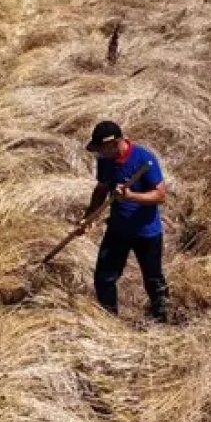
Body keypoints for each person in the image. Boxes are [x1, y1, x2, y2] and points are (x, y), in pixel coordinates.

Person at [77, 121, 169, 322]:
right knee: (104, 278)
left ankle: (163, 321)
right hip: (118, 229)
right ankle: (109, 321)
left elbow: (160, 195)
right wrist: (89, 215)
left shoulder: (144, 159)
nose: (99, 154)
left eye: (101, 149)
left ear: (114, 143)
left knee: (154, 281)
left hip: (146, 232)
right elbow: (101, 189)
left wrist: (131, 197)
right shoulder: (105, 160)